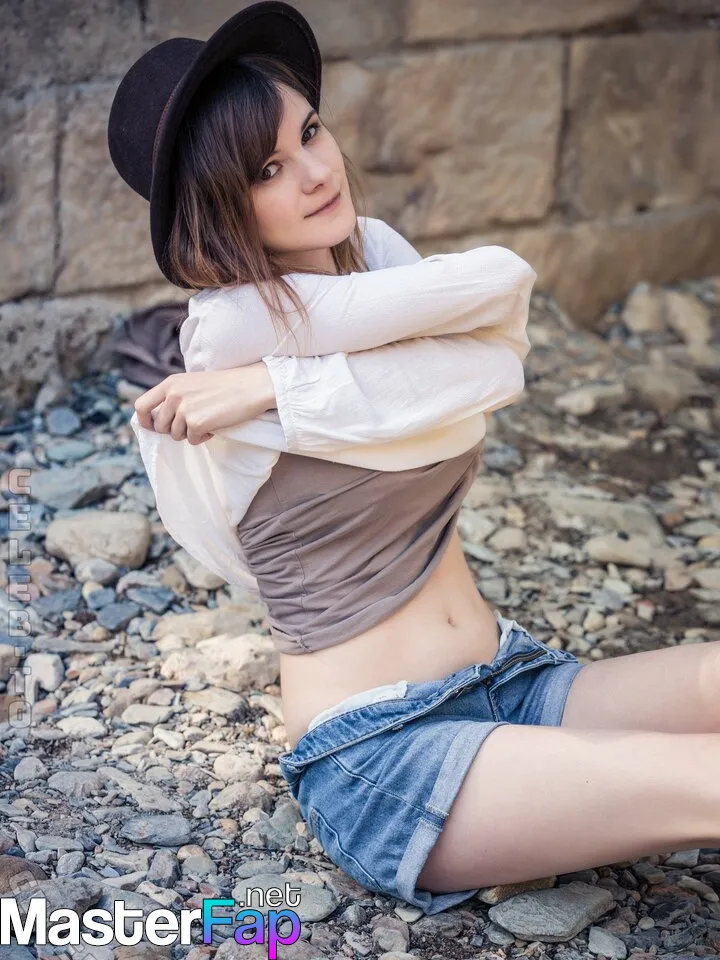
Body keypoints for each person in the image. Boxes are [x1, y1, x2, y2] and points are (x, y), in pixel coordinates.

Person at [108, 1, 720, 917]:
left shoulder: (374, 258)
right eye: (267, 170)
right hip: (383, 753)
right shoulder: (230, 327)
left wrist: (278, 388)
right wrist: (285, 378)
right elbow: (475, 345)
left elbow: (498, 339)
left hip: (513, 681)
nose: (318, 171)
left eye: (310, 132)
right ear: (216, 209)